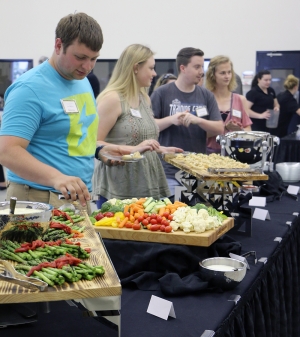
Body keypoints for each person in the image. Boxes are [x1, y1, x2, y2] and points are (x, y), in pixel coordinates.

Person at [0, 12, 142, 212]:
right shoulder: (29, 89)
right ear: (58, 46)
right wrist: (56, 177)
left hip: (76, 198)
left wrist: (99, 150)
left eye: (94, 59)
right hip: (38, 198)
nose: (87, 67)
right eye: (80, 57)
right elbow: (7, 151)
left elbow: (71, 134)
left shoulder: (81, 81)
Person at [92, 44, 183, 204]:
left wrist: (159, 149)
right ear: (135, 68)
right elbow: (93, 143)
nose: (155, 73)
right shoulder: (113, 99)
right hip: (119, 188)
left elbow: (141, 140)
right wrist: (131, 150)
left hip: (147, 183)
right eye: (151, 68)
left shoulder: (144, 98)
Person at [151, 47, 223, 195]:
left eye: (202, 67)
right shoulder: (162, 93)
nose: (201, 72)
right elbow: (149, 127)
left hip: (198, 170)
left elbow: (219, 128)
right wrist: (171, 119)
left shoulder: (206, 95)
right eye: (197, 67)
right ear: (183, 68)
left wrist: (199, 121)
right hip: (169, 171)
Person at [205, 55, 252, 153]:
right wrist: (224, 128)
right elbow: (200, 134)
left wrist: (240, 130)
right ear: (213, 75)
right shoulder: (205, 99)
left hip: (235, 153)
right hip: (209, 154)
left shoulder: (240, 100)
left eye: (229, 72)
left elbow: (248, 129)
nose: (227, 76)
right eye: (222, 73)